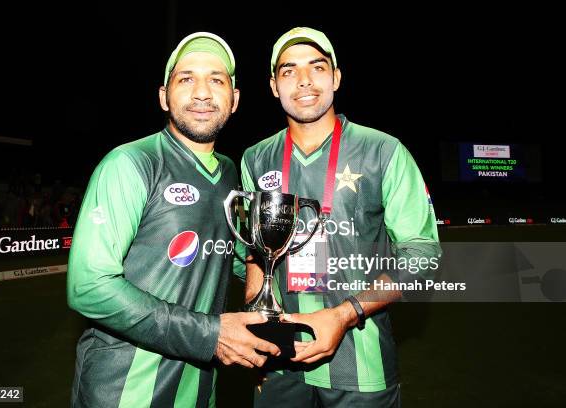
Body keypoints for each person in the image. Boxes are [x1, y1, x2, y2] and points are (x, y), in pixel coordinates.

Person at [67, 32, 280, 408]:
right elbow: (89, 286)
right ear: (164, 96)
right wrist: (210, 335)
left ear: (235, 100)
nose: (202, 92)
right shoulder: (131, 163)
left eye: (216, 79)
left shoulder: (233, 175)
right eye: (186, 79)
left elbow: (232, 259)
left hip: (200, 389)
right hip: (123, 391)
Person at [238, 27, 441, 407]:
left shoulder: (383, 151)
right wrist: (256, 314)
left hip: (361, 366)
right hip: (280, 362)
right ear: (273, 85)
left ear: (336, 76)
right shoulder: (256, 158)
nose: (304, 81)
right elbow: (252, 252)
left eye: (317, 67)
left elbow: (423, 254)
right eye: (288, 71)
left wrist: (346, 313)